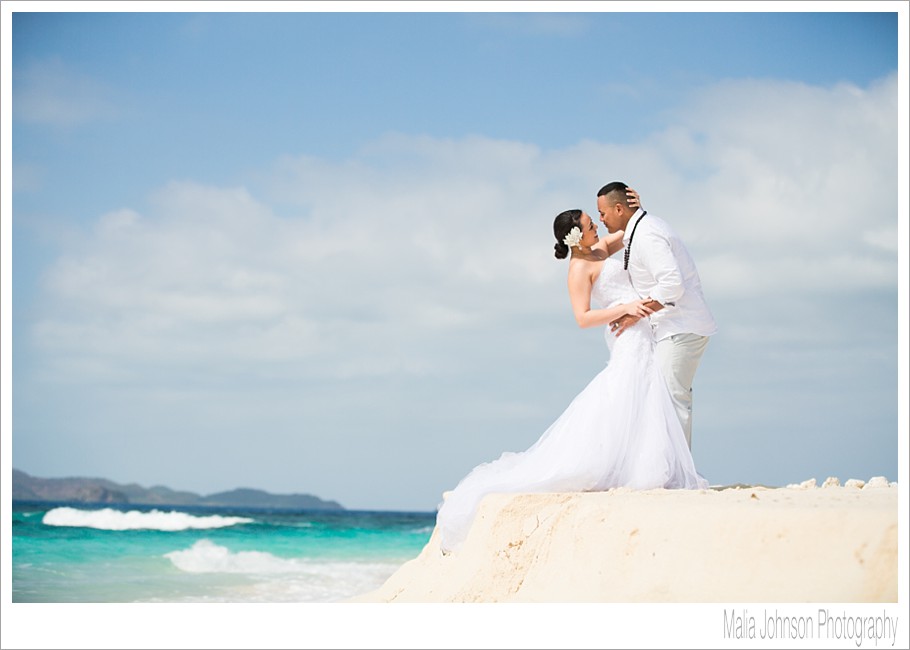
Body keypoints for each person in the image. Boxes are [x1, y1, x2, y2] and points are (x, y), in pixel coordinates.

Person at [435, 190, 707, 554]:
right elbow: (582, 318)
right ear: (575, 237)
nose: (597, 226)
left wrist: (635, 207)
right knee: (627, 393)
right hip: (627, 331)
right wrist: (624, 308)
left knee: (648, 399)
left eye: (596, 221)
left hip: (645, 326)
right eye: (590, 225)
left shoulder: (600, 250)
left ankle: (657, 466)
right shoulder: (579, 267)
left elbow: (631, 229)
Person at [596, 181, 717, 449]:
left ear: (619, 208)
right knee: (663, 397)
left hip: (681, 325)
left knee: (672, 397)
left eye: (602, 213)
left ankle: (678, 475)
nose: (600, 219)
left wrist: (635, 314)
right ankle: (672, 469)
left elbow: (672, 284)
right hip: (670, 326)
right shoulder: (636, 230)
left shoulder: (647, 234)